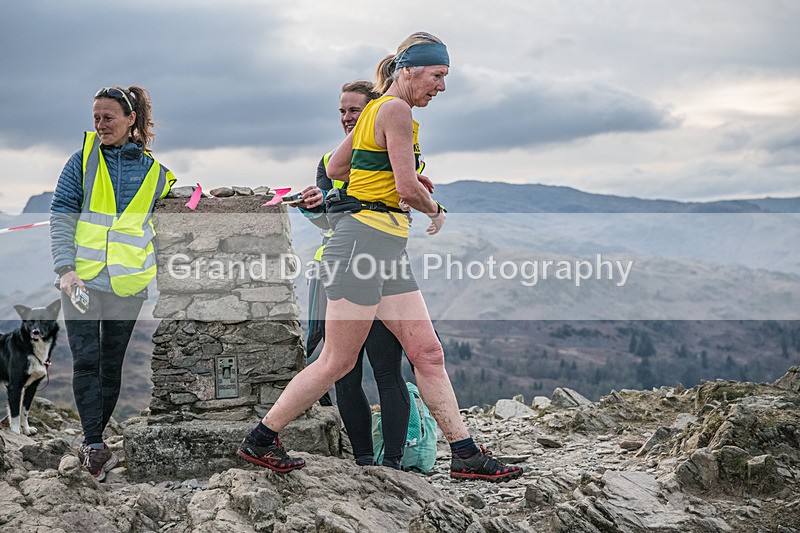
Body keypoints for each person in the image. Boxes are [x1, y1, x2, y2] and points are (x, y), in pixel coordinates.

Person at [238, 32, 522, 482]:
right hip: (362, 246)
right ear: (408, 70)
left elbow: (335, 169)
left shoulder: (375, 110)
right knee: (338, 361)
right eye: (438, 75)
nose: (442, 86)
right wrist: (434, 209)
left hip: (382, 247)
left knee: (427, 353)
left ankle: (465, 455)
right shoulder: (394, 110)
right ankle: (261, 439)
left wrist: (390, 179)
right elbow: (408, 189)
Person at [50, 86, 175, 481]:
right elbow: (61, 217)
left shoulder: (157, 174)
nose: (100, 125)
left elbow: (173, 220)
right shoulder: (81, 161)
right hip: (82, 281)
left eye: (108, 117)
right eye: (96, 118)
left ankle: (95, 439)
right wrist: (64, 270)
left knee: (111, 365)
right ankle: (92, 444)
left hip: (128, 286)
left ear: (130, 119)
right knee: (86, 360)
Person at [296, 80, 412, 469]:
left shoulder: (386, 152)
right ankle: (363, 461)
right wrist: (312, 207)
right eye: (342, 111)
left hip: (383, 268)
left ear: (373, 113)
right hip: (340, 268)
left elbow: (402, 200)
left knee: (386, 368)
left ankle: (392, 464)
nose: (347, 118)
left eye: (355, 110)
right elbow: (329, 224)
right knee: (344, 371)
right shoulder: (329, 160)